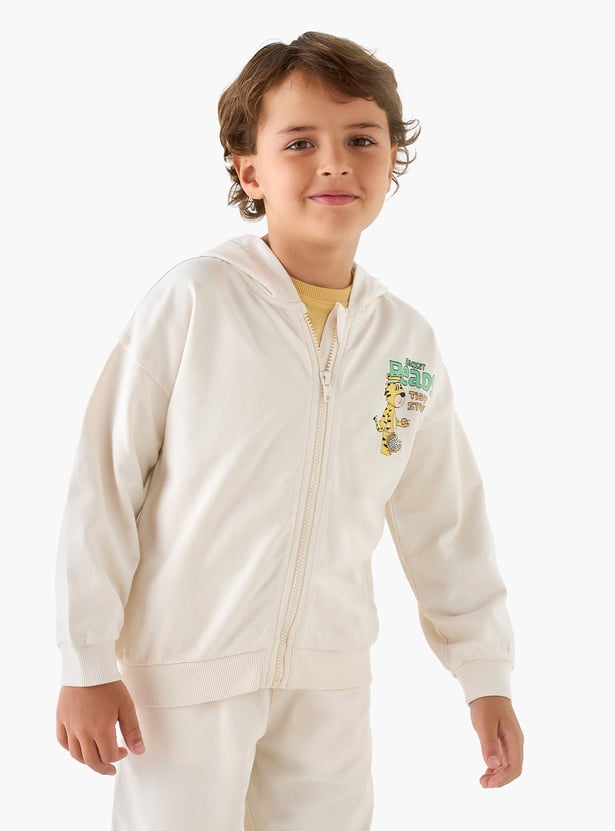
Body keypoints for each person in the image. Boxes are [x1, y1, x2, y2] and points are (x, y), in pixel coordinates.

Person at [55, 30, 523, 831]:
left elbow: (443, 518)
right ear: (250, 171)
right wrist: (86, 658)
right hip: (183, 676)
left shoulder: (404, 344)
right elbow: (104, 482)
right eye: (299, 142)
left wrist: (484, 673)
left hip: (328, 680)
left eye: (360, 140)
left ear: (392, 159)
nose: (334, 163)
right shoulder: (195, 300)